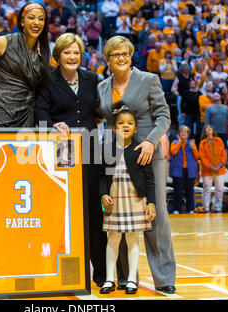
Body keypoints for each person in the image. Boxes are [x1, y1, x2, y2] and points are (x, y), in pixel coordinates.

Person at [97, 36, 176, 294]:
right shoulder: (102, 87)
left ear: (131, 56)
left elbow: (164, 115)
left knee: (156, 215)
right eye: (115, 54)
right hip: (117, 158)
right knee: (118, 217)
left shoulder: (149, 80)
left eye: (125, 53)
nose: (121, 58)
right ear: (107, 58)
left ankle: (164, 277)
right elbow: (101, 120)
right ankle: (125, 277)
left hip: (148, 156)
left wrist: (152, 142)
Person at [35, 33, 107, 287]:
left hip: (89, 152)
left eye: (76, 52)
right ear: (58, 56)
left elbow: (98, 110)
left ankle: (101, 273)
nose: (72, 57)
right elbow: (40, 113)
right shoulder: (47, 81)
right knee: (62, 212)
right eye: (67, 52)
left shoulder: (91, 78)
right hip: (60, 154)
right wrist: (53, 125)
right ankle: (58, 271)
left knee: (93, 214)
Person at [99, 102, 156, 295]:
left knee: (133, 239)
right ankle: (109, 279)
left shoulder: (141, 149)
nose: (125, 126)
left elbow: (150, 179)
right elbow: (101, 176)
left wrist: (151, 203)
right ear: (115, 127)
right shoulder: (108, 149)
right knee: (112, 239)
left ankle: (132, 279)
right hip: (114, 199)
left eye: (130, 123)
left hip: (134, 200)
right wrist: (103, 194)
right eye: (121, 123)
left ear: (135, 128)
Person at [0, 2, 50, 127]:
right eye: (31, 17)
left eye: (41, 19)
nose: (36, 22)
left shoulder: (42, 51)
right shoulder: (2, 43)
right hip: (2, 112)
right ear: (22, 21)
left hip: (27, 115)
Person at [169, 125, 199, 214]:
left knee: (190, 191)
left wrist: (194, 148)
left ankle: (190, 209)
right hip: (178, 170)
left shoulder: (191, 143)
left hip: (190, 170)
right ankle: (176, 209)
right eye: (181, 132)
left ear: (188, 134)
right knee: (177, 191)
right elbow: (173, 152)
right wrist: (179, 142)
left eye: (185, 132)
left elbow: (197, 156)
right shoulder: (174, 142)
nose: (183, 133)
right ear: (178, 134)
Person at [198, 125, 227, 213]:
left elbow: (223, 154)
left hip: (220, 169)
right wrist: (211, 167)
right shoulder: (202, 143)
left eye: (210, 127)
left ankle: (218, 207)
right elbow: (202, 158)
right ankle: (206, 208)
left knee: (219, 189)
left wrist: (220, 165)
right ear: (205, 131)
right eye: (207, 128)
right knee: (206, 189)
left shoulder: (219, 140)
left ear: (213, 130)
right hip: (207, 170)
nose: (209, 128)